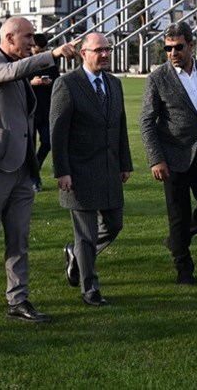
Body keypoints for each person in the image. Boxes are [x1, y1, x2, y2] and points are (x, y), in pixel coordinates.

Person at [0, 16, 77, 322]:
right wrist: (53, 54)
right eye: (28, 37)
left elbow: (17, 79)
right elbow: (9, 72)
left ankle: (18, 300)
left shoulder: (18, 69)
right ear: (9, 38)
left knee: (18, 236)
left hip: (21, 166)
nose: (32, 43)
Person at [139, 21, 197, 285]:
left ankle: (176, 240)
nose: (172, 52)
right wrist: (156, 158)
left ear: (191, 45)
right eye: (167, 48)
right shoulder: (157, 78)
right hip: (174, 157)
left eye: (178, 47)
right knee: (177, 214)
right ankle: (184, 268)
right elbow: (147, 121)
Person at [51, 32, 132, 306]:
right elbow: (58, 132)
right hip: (79, 171)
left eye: (107, 49)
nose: (105, 54)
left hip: (109, 169)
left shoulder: (114, 84)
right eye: (98, 50)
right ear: (83, 53)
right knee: (85, 235)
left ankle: (75, 254)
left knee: (114, 224)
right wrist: (62, 170)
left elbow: (119, 126)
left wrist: (125, 163)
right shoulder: (67, 84)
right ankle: (90, 289)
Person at [29, 33, 60, 192]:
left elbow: (59, 83)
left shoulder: (51, 63)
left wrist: (51, 83)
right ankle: (34, 180)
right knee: (31, 147)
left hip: (47, 110)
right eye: (37, 51)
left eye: (43, 51)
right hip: (30, 112)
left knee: (48, 143)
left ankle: (36, 170)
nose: (40, 55)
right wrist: (31, 83)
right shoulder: (25, 62)